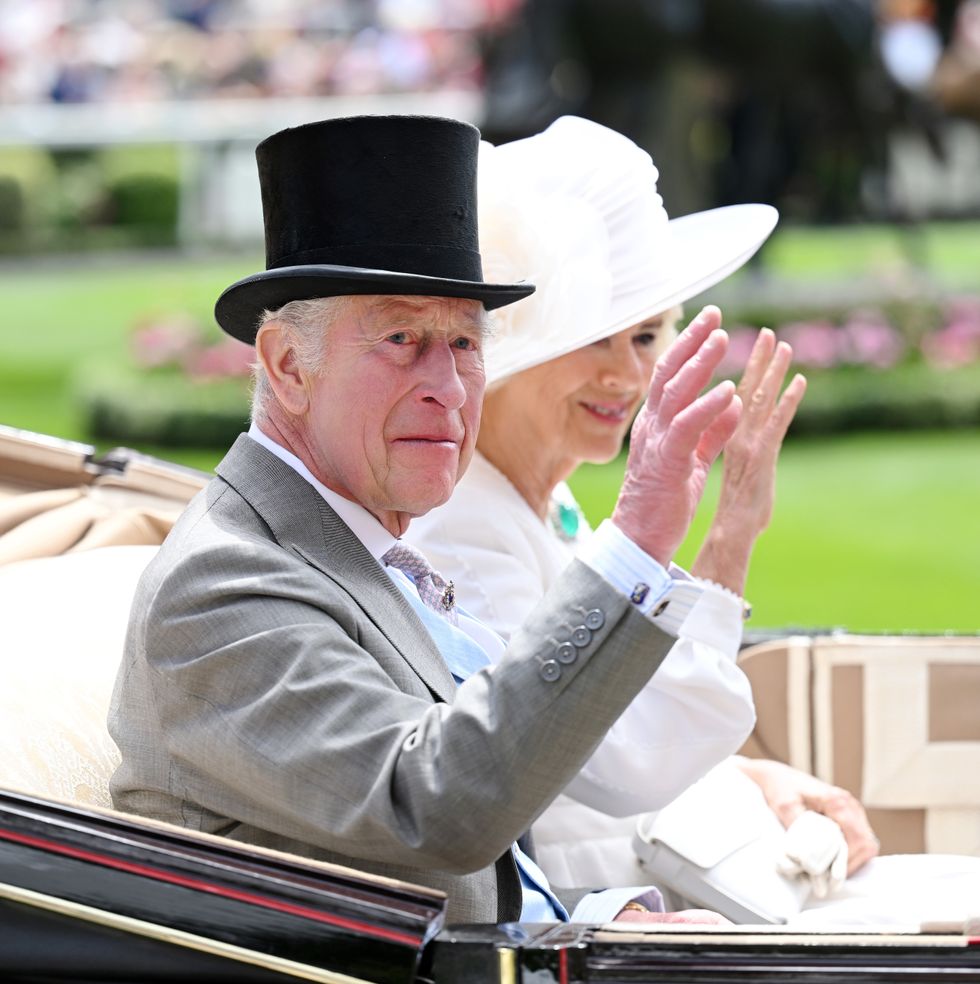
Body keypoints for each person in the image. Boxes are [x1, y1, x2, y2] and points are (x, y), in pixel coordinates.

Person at [108, 114, 755, 926]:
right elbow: (440, 804)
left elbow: (493, 862)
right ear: (285, 364)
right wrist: (637, 541)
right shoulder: (224, 583)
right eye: (402, 337)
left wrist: (610, 918)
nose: (448, 388)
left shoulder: (369, 544)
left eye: (466, 342)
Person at [408, 116, 980, 926]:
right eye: (594, 338)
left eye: (647, 334)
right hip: (611, 926)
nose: (629, 372)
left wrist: (755, 779)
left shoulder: (547, 501)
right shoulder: (456, 527)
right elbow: (612, 758)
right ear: (514, 347)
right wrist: (721, 543)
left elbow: (626, 722)